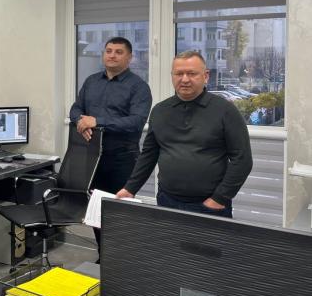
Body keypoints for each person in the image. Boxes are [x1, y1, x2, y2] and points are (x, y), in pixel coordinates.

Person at [117, 51, 253, 217]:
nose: (185, 79)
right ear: (172, 76)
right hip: (167, 200)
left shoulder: (225, 110)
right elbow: (149, 155)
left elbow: (242, 160)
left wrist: (220, 198)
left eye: (192, 73)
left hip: (210, 205)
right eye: (179, 74)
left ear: (206, 76)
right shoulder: (160, 111)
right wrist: (130, 188)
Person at [70, 36, 152, 253]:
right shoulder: (91, 82)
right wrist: (80, 122)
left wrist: (97, 121)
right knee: (96, 212)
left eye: (118, 52)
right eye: (109, 51)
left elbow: (136, 122)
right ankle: (103, 256)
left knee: (121, 215)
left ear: (129, 57)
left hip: (122, 160)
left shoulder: (139, 87)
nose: (112, 55)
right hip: (93, 159)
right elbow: (76, 109)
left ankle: (121, 260)